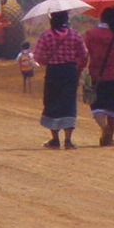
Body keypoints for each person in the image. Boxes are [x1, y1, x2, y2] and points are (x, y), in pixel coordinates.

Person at [32, 9, 88, 149]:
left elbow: (38, 57)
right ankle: (68, 140)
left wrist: (49, 61)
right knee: (68, 103)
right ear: (66, 20)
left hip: (53, 72)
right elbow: (84, 54)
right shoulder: (74, 35)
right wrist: (79, 68)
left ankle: (55, 140)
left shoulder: (46, 36)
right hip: (70, 72)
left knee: (52, 103)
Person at [84, 7, 114, 147]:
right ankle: (110, 136)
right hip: (112, 76)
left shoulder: (90, 34)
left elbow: (84, 54)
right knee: (113, 109)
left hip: (94, 74)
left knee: (96, 106)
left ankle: (103, 128)